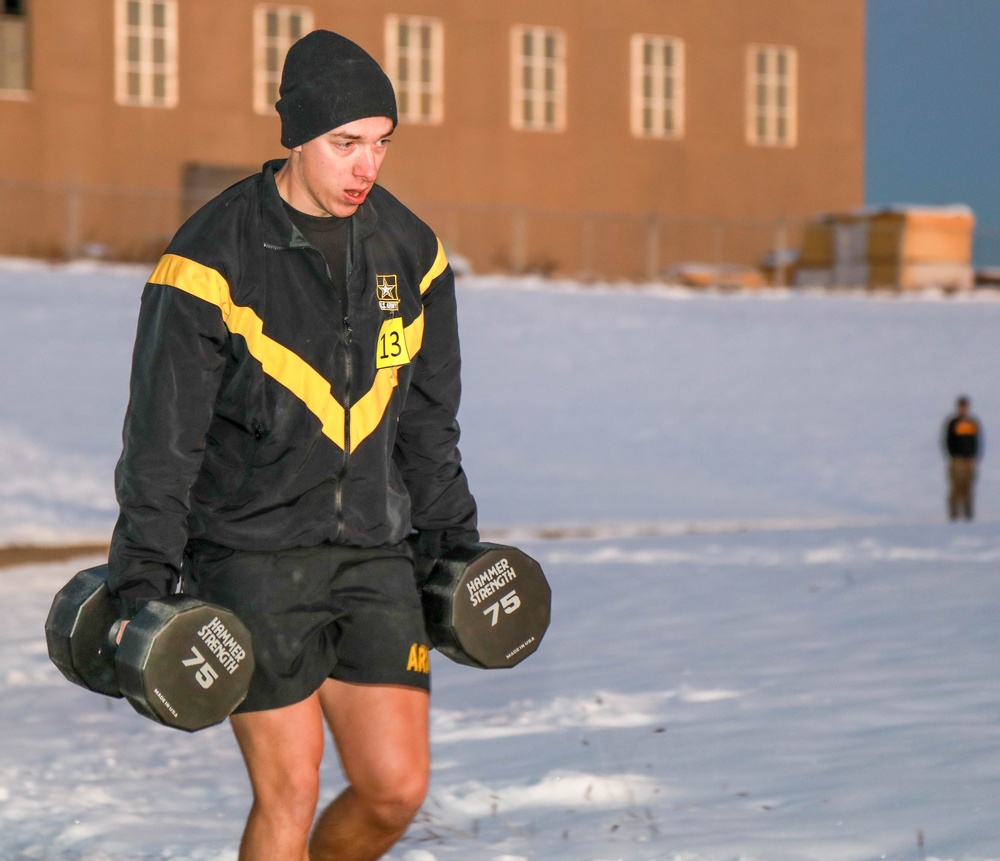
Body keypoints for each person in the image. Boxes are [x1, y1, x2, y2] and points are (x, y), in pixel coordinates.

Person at [106, 30, 479, 861]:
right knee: (293, 787)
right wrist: (142, 576)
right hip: (251, 553)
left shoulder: (412, 254)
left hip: (373, 554)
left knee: (394, 788)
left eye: (380, 144)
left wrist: (452, 544)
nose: (365, 167)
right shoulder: (209, 256)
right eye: (345, 144)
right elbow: (163, 438)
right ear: (297, 137)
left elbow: (427, 420)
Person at [941, 395, 982, 521]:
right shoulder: (954, 423)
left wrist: (974, 455)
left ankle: (968, 516)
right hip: (957, 460)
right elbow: (948, 441)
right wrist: (953, 456)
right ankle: (954, 516)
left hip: (969, 460)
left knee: (968, 487)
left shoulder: (971, 423)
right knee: (956, 487)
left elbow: (976, 440)